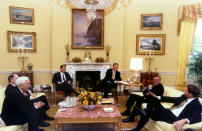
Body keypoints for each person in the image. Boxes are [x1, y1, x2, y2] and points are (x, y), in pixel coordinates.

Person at [129, 84, 202, 131]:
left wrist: (185, 120)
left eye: (186, 90)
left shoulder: (197, 104)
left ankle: (140, 120)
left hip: (174, 117)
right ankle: (144, 112)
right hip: (168, 111)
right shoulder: (184, 96)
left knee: (148, 112)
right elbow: (172, 99)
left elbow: (197, 117)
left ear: (190, 94)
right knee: (154, 100)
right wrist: (158, 97)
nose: (184, 90)